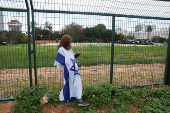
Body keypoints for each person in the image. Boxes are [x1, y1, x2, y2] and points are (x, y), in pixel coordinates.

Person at [54, 35, 89, 107]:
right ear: (67, 42)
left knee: (77, 82)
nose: (71, 42)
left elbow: (72, 57)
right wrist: (67, 66)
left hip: (75, 70)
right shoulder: (61, 49)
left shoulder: (69, 49)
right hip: (68, 71)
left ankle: (79, 99)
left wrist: (78, 54)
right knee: (68, 83)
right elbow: (59, 61)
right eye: (70, 41)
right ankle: (68, 99)